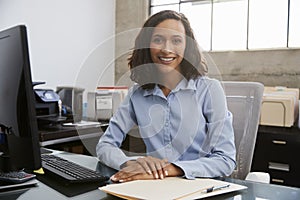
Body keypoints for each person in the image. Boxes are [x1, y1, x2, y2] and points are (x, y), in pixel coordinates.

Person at [96, 10, 236, 183]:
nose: (166, 49)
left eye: (176, 40)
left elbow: (225, 160)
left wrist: (170, 169)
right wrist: (131, 163)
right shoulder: (137, 94)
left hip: (199, 186)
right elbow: (105, 145)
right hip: (154, 186)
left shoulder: (209, 90)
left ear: (187, 46)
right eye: (158, 40)